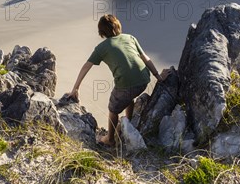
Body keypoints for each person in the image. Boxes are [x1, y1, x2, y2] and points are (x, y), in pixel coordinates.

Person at [67, 14, 168, 146]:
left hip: (126, 85)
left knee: (113, 109)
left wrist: (75, 88)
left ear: (101, 33)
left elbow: (86, 66)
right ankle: (128, 122)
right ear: (118, 26)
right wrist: (158, 77)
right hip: (144, 79)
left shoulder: (101, 48)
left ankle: (110, 139)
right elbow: (145, 58)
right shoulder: (130, 38)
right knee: (128, 97)